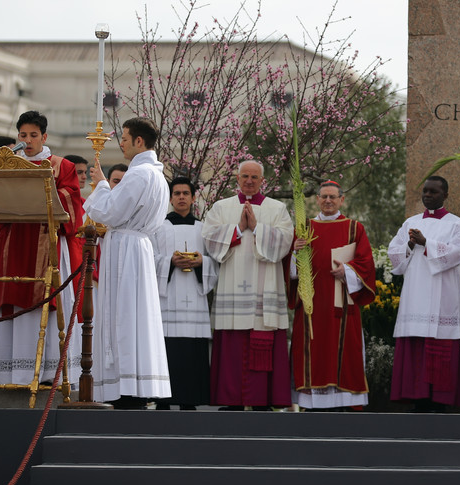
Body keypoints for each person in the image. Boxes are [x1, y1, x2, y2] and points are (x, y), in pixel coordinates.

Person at [0, 111, 83, 389]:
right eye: (23, 135)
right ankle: (13, 374)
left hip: (47, 241)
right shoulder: (9, 165)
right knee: (14, 299)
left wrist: (44, 192)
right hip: (15, 242)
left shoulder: (61, 166)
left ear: (44, 137)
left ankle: (49, 373)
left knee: (48, 301)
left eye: (33, 135)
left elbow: (72, 202)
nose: (27, 140)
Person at [84, 117, 172, 408]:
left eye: (124, 138)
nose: (120, 143)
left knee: (122, 315)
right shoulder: (158, 176)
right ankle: (139, 385)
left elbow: (109, 212)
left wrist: (100, 184)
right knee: (138, 316)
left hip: (125, 250)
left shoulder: (138, 174)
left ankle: (123, 388)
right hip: (140, 248)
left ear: (139, 141)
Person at [202, 160, 294, 410]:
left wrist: (256, 228)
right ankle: (231, 400)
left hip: (265, 290)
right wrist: (238, 228)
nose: (250, 181)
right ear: (237, 178)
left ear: (263, 180)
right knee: (232, 347)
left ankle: (263, 400)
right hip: (232, 288)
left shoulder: (277, 209)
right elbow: (209, 239)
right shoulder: (221, 207)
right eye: (245, 176)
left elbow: (285, 241)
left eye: (255, 177)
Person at [290, 181, 376, 410]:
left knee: (345, 350)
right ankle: (311, 404)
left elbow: (367, 263)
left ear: (342, 200)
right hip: (311, 303)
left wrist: (348, 271)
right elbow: (289, 270)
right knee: (313, 348)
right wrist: (294, 251)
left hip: (342, 302)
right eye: (324, 197)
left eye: (333, 197)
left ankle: (344, 404)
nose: (328, 201)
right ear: (317, 199)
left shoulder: (354, 228)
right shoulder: (304, 228)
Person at [387, 176, 460, 412]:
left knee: (440, 346)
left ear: (445, 195)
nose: (428, 195)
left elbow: (456, 254)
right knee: (416, 347)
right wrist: (410, 245)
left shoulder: (456, 224)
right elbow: (395, 255)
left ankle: (440, 402)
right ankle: (418, 398)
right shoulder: (410, 223)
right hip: (415, 295)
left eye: (433, 192)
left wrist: (426, 243)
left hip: (443, 296)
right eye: (425, 191)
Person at [153, 176, 217, 410]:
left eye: (185, 193)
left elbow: (215, 262)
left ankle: (190, 401)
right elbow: (151, 259)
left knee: (192, 351)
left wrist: (202, 263)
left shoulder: (204, 229)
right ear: (170, 198)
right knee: (167, 350)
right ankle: (163, 401)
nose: (181, 197)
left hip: (195, 301)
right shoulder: (159, 227)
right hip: (167, 299)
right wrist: (169, 262)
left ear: (193, 197)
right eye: (177, 193)